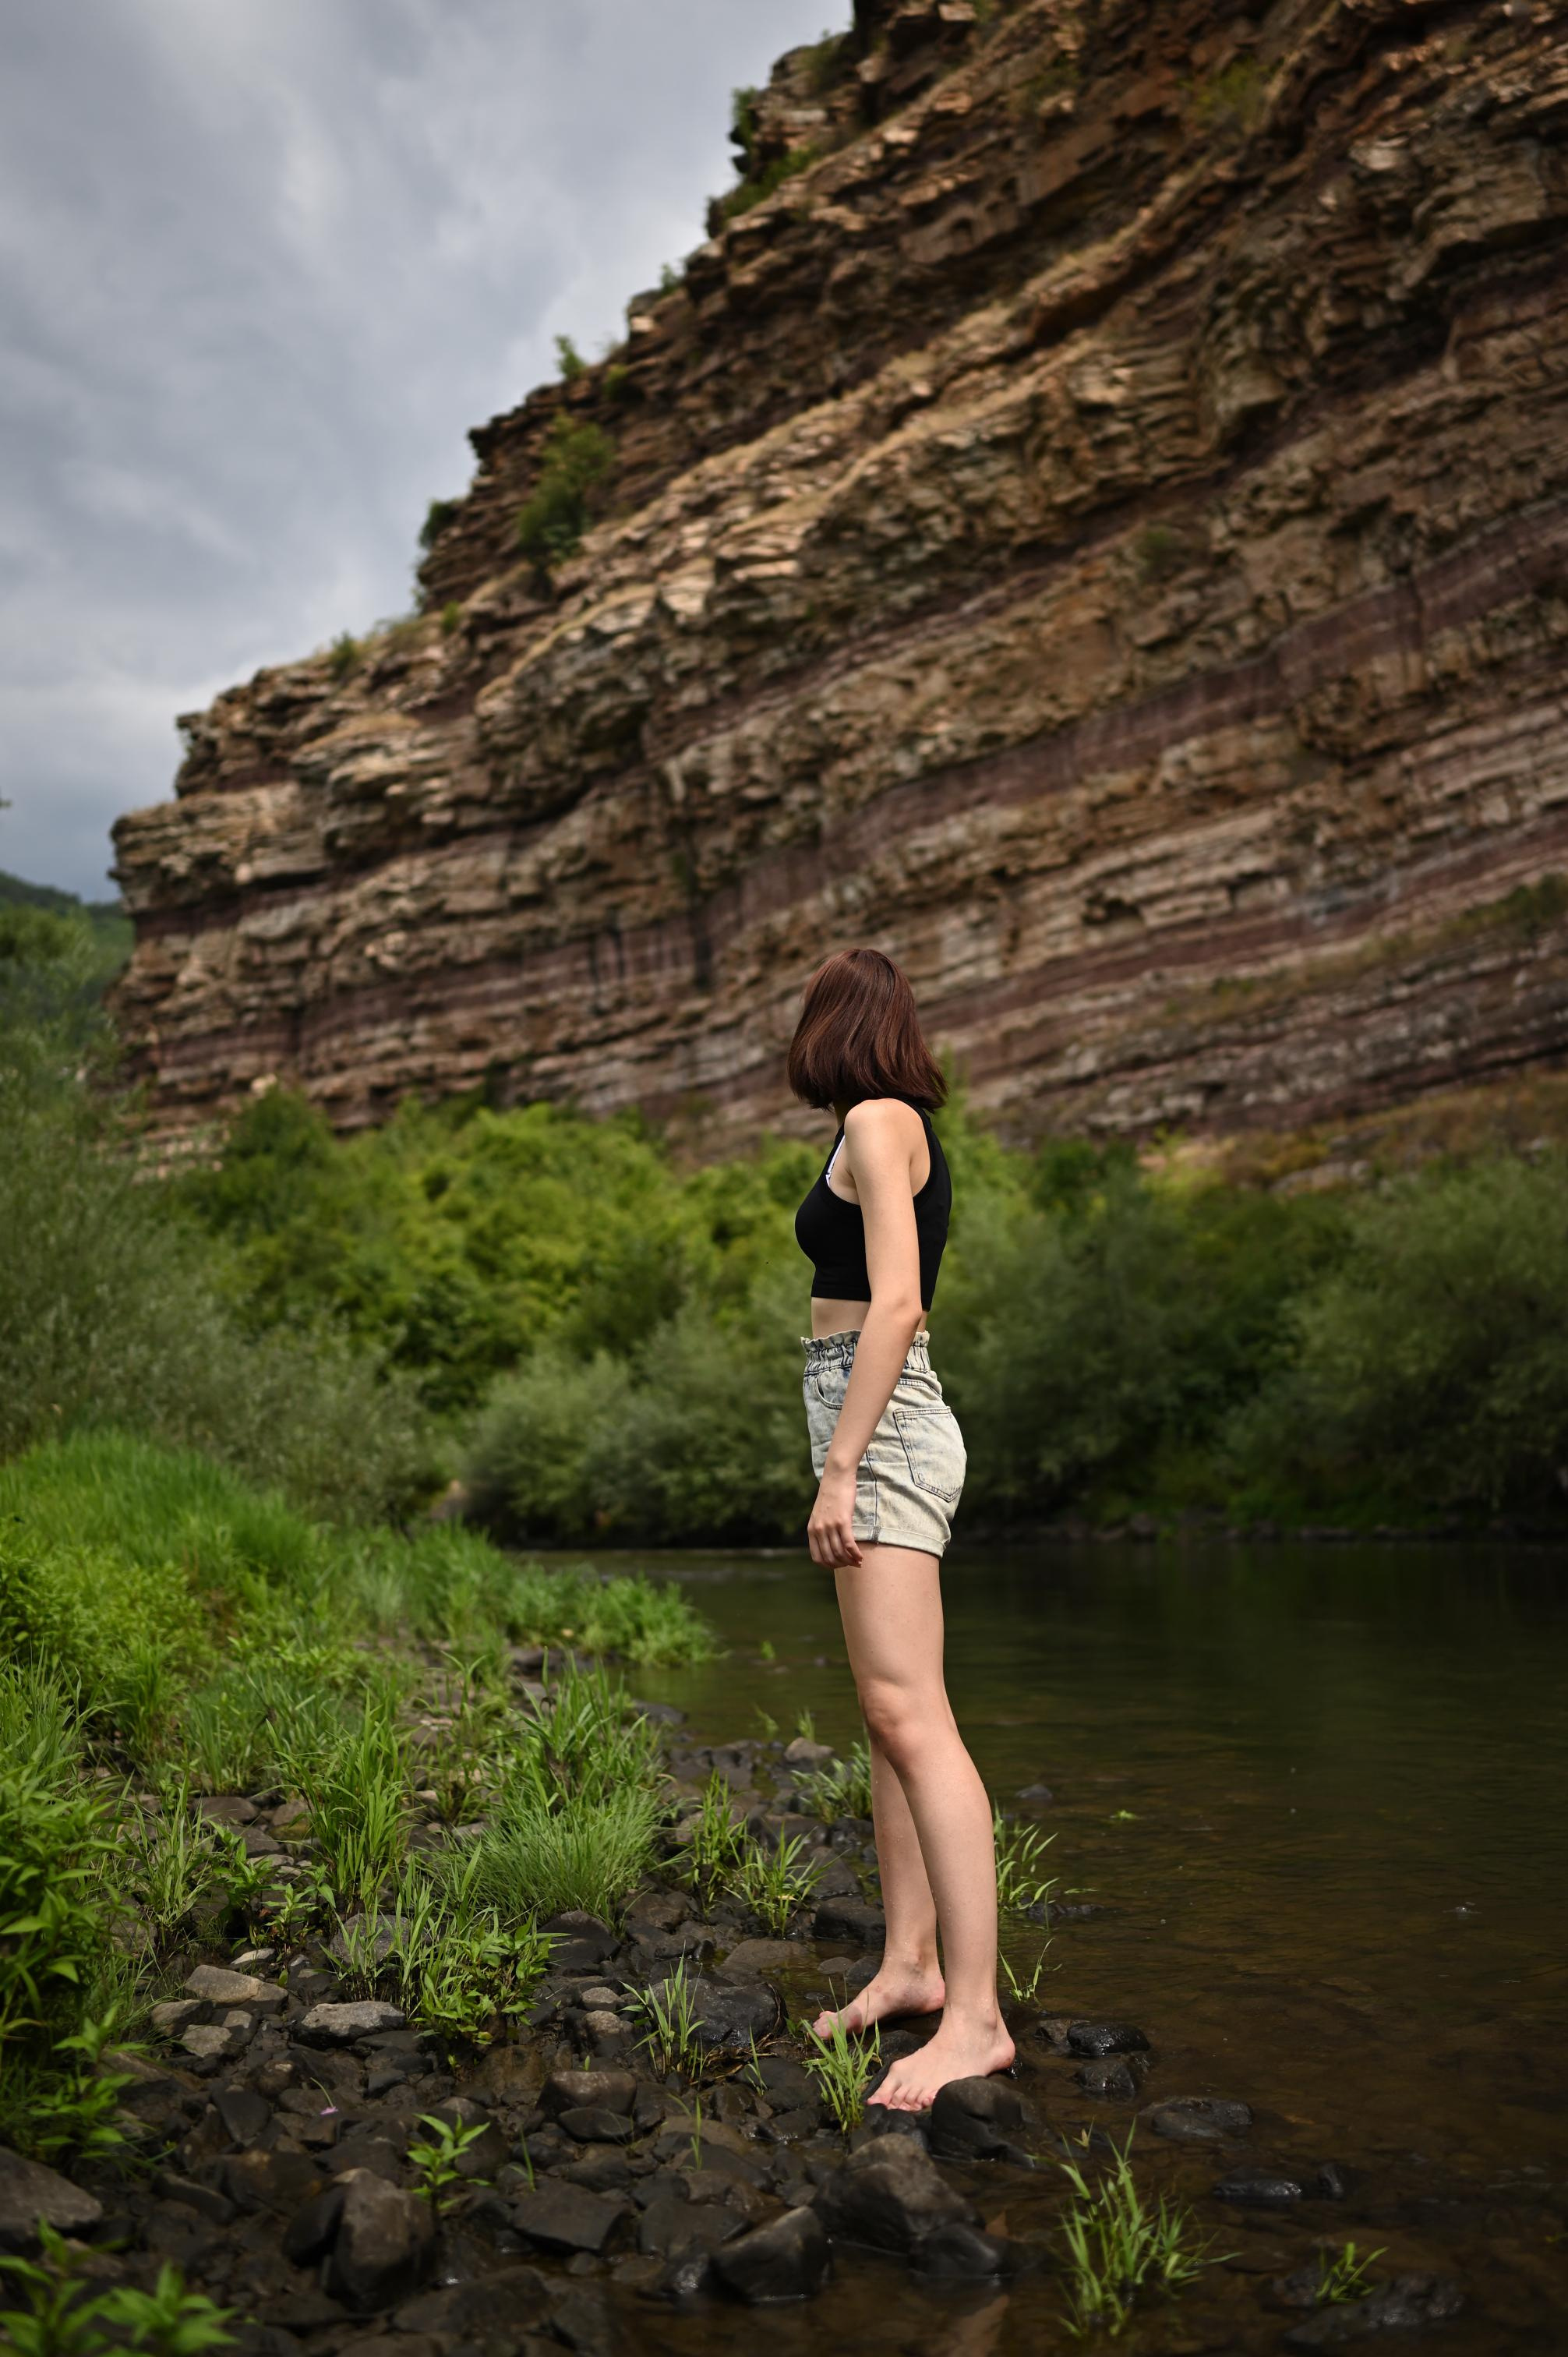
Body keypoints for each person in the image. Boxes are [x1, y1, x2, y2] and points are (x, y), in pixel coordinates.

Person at [789, 945, 1013, 2111]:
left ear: (838, 1023)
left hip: (878, 1425)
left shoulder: (877, 1118)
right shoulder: (887, 1121)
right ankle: (915, 1967)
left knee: (911, 1716)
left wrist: (840, 1466)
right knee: (889, 1715)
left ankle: (975, 2019)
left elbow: (900, 1302)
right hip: (871, 1412)